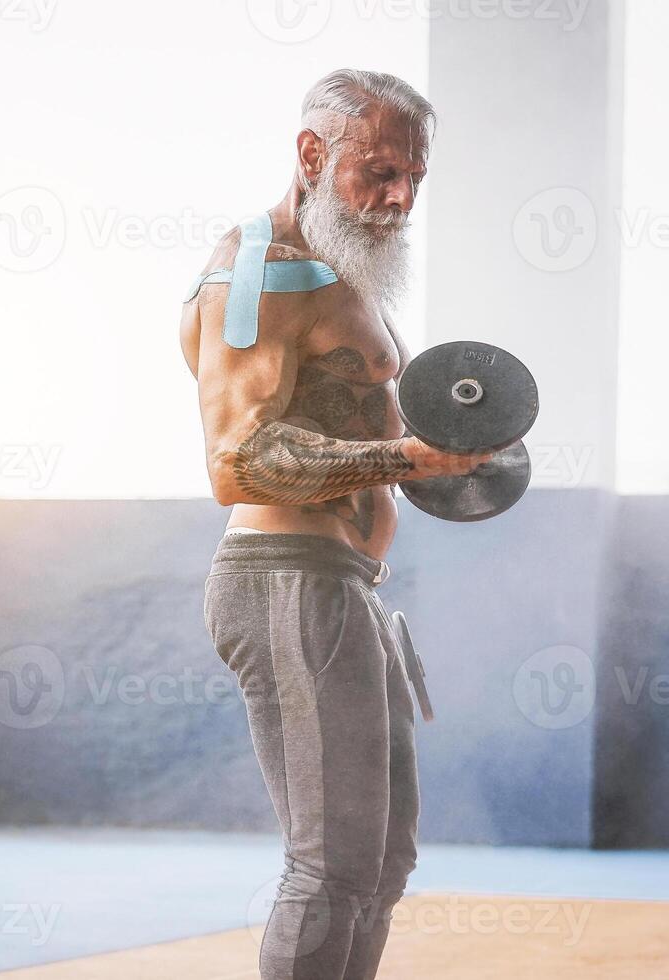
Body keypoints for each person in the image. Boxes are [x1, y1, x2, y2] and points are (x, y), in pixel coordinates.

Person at [179, 69, 488, 980]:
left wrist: (453, 457)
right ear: (313, 155)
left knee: (381, 864)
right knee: (329, 865)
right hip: (285, 579)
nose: (398, 198)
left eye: (413, 180)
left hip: (345, 588)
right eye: (380, 172)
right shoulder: (257, 272)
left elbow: (370, 431)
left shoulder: (339, 276)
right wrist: (405, 460)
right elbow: (236, 464)